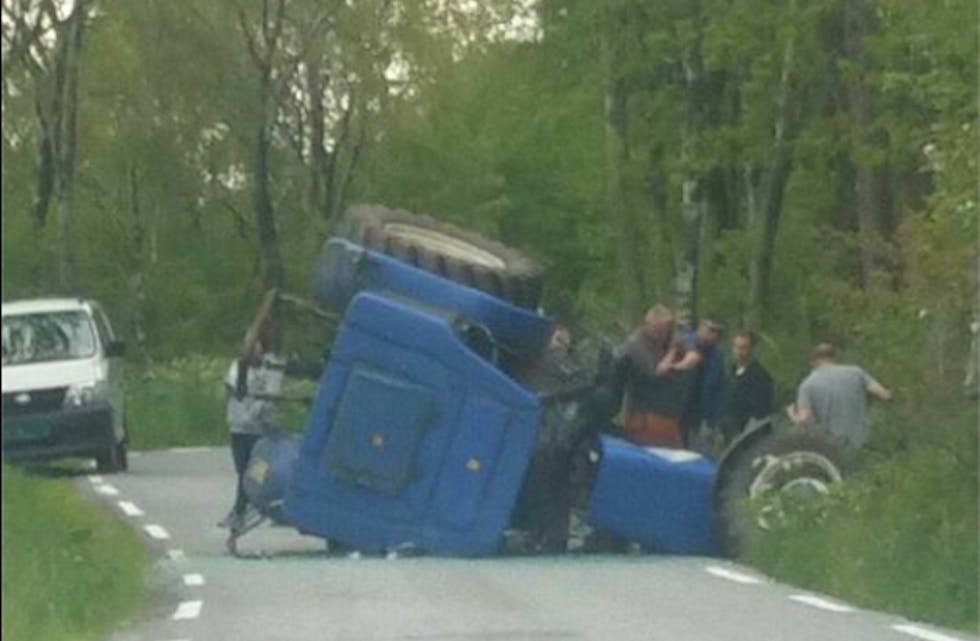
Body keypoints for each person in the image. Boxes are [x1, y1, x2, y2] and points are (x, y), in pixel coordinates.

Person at [787, 342, 892, 447]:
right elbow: (884, 395)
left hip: (831, 446)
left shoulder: (807, 384)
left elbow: (805, 421)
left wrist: (792, 414)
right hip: (861, 442)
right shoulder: (856, 372)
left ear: (812, 362)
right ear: (835, 358)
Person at [613, 305, 687, 448]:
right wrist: (673, 350)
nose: (664, 334)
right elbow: (654, 373)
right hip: (645, 418)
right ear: (649, 325)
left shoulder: (660, 345)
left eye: (667, 330)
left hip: (666, 418)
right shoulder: (636, 346)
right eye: (661, 330)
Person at [668, 317, 726, 451]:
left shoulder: (717, 357)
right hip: (675, 411)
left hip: (699, 417)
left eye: (718, 333)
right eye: (710, 330)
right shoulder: (685, 343)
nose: (713, 336)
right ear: (701, 327)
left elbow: (717, 389)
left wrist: (713, 421)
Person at [720, 329, 774, 443]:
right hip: (729, 430)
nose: (739, 351)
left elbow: (761, 411)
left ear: (751, 349)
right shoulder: (732, 370)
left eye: (743, 347)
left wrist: (746, 434)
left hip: (747, 434)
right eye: (736, 347)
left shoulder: (759, 375)